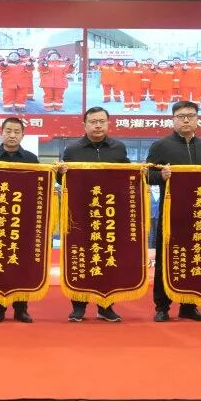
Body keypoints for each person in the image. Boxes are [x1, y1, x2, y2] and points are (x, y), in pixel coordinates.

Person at [145, 101, 201, 322]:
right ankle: (162, 306)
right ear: (173, 119)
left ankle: (189, 306)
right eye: (181, 116)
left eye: (191, 115)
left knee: (195, 257)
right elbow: (146, 175)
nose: (186, 120)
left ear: (197, 119)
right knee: (166, 259)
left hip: (199, 214)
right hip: (171, 213)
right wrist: (161, 176)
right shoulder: (161, 146)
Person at [61, 106, 129, 322]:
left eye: (102, 121)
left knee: (108, 256)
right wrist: (59, 173)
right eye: (93, 122)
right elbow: (63, 180)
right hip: (80, 213)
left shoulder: (119, 148)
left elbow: (128, 175)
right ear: (85, 125)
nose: (98, 125)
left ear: (108, 123)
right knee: (80, 256)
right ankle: (78, 306)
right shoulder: (72, 150)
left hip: (110, 214)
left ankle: (105, 306)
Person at [0, 117, 37, 323]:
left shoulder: (31, 159)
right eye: (8, 131)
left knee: (22, 263)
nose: (12, 135)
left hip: (23, 221)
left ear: (23, 135)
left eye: (16, 132)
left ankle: (21, 309)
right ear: (1, 132)